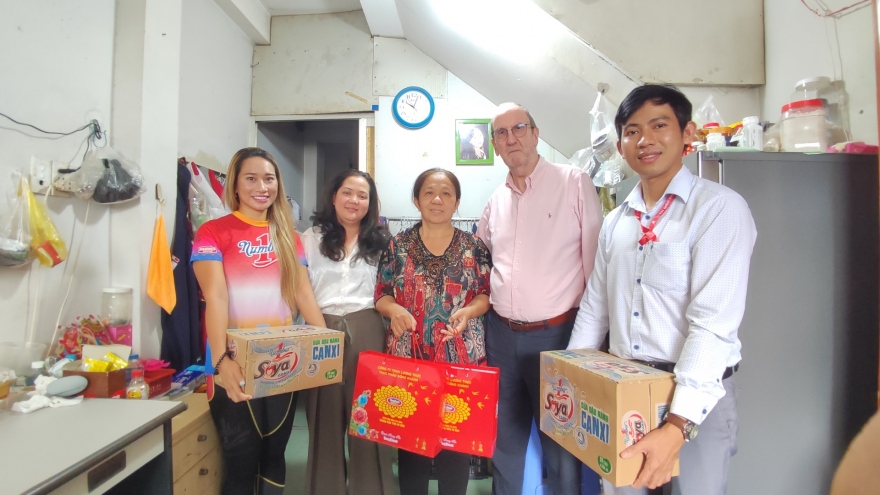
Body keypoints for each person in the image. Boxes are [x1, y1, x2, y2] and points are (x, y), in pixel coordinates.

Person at [567, 84, 757, 494]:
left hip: (697, 397)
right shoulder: (616, 222)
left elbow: (712, 325)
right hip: (627, 390)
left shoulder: (718, 209)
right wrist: (575, 383)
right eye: (632, 131)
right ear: (621, 146)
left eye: (658, 125)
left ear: (687, 133)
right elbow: (595, 309)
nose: (644, 140)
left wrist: (678, 423)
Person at [476, 103, 602, 495]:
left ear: (535, 133)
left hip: (558, 336)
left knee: (560, 443)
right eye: (501, 133)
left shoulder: (573, 182)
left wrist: (593, 344)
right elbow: (481, 264)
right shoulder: (495, 200)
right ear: (495, 145)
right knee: (504, 440)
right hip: (500, 336)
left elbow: (596, 267)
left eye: (518, 128)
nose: (511, 138)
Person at [191, 147, 326, 495]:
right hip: (232, 362)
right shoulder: (212, 232)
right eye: (251, 178)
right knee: (241, 461)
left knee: (274, 456)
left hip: (282, 360)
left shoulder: (289, 236)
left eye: (269, 179)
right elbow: (216, 298)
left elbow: (303, 295)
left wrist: (327, 345)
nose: (261, 187)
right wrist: (222, 362)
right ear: (235, 185)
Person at [375, 168, 492, 495]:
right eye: (428, 192)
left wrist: (469, 311)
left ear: (456, 202)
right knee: (411, 446)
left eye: (446, 193)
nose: (437, 200)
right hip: (410, 359)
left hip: (459, 358)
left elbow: (485, 294)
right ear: (416, 200)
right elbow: (381, 294)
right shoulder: (397, 245)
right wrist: (394, 309)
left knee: (455, 445)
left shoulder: (474, 246)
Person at [301, 169, 396, 495]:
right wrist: (320, 333)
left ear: (370, 203)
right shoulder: (310, 238)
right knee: (323, 418)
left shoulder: (384, 243)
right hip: (320, 327)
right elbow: (299, 289)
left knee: (368, 418)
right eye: (347, 192)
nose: (354, 200)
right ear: (334, 197)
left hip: (368, 328)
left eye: (362, 195)